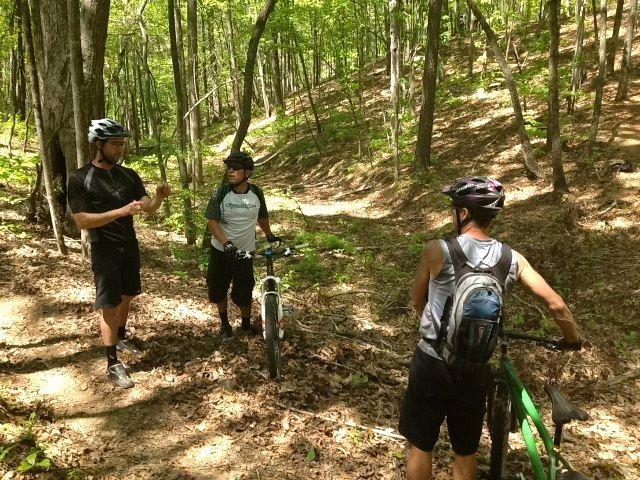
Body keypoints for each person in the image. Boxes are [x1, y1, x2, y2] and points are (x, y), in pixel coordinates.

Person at [399, 176, 582, 480]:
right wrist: (573, 339)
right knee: (465, 451)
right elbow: (556, 305)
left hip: (432, 362)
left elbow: (418, 302)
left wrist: (437, 329)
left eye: (455, 208)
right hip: (474, 368)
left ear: (463, 213)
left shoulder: (437, 250)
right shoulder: (513, 259)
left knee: (421, 446)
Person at [67, 118, 171, 389]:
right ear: (98, 145)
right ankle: (112, 362)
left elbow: (146, 207)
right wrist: (122, 211)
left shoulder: (129, 175)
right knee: (109, 303)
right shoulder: (81, 178)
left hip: (129, 244)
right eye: (115, 144)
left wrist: (158, 197)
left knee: (127, 295)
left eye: (122, 144)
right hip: (104, 248)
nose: (120, 149)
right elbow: (81, 221)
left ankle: (121, 337)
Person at [205, 151, 280, 340]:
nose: (230, 171)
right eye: (229, 168)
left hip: (245, 251)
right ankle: (224, 324)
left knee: (244, 289)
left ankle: (246, 325)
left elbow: (262, 217)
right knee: (217, 288)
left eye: (235, 168)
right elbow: (211, 221)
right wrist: (226, 243)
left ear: (247, 173)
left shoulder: (256, 192)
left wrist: (270, 235)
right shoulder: (220, 192)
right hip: (221, 251)